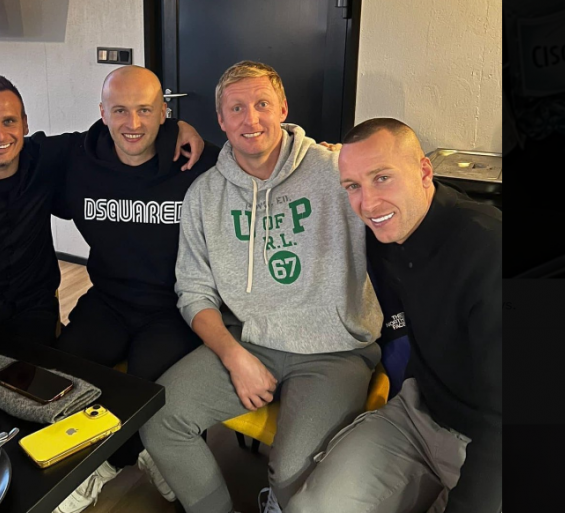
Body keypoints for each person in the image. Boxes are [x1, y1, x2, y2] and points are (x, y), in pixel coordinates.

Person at [140, 61, 383, 513]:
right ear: (221, 120)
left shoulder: (336, 171)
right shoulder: (205, 195)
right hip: (250, 340)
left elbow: (393, 201)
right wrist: (234, 357)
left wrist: (360, 165)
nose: (251, 119)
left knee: (292, 475)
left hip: (334, 349)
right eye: (237, 108)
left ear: (283, 109)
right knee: (158, 418)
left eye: (262, 104)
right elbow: (193, 291)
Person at [0, 73, 204, 346]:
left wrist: (174, 127)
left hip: (34, 313)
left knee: (53, 386)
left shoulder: (49, 157)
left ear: (24, 123)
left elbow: (125, 133)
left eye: (9, 121)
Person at [286, 118, 502, 513]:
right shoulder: (385, 233)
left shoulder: (487, 250)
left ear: (424, 171)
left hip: (489, 439)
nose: (368, 204)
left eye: (382, 178)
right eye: (353, 186)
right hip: (420, 412)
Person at [51, 66, 220, 512]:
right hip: (109, 298)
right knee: (68, 369)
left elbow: (260, 158)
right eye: (120, 110)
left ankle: (115, 463)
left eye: (145, 110)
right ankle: (123, 455)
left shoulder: (198, 159)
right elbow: (9, 153)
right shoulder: (76, 158)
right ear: (102, 112)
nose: (133, 123)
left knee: (149, 383)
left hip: (176, 304)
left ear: (165, 111)